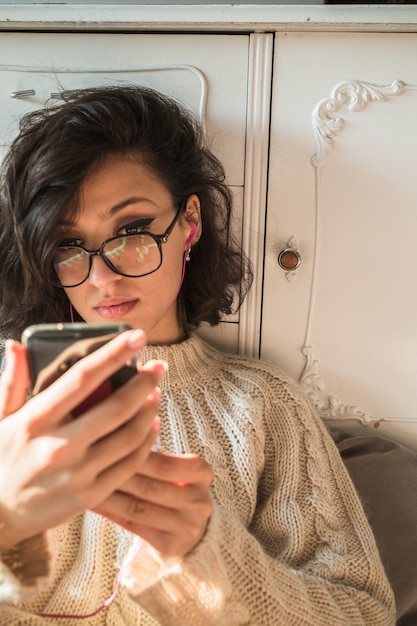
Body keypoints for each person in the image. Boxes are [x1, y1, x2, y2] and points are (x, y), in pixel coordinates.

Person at [0, 85, 395, 625]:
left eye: (132, 230)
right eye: (68, 245)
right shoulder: (8, 389)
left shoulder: (264, 403)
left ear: (189, 221)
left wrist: (215, 564)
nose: (101, 276)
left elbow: (363, 615)